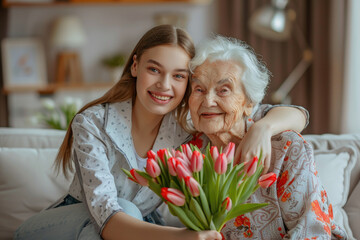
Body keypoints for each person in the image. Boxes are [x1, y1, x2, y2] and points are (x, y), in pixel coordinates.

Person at [15, 25, 307, 240]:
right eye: (154, 70)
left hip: (137, 226)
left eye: (179, 76)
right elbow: (107, 214)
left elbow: (288, 114)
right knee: (121, 211)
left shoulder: (189, 127)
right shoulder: (92, 124)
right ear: (135, 66)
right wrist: (183, 237)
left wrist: (263, 128)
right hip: (72, 221)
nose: (165, 85)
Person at [183, 35, 347, 239]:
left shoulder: (286, 148)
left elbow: (310, 232)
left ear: (249, 103)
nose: (208, 100)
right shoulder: (189, 154)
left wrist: (262, 128)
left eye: (224, 90)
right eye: (199, 89)